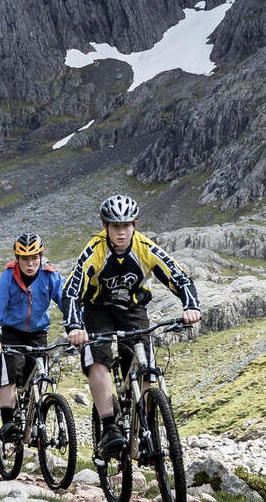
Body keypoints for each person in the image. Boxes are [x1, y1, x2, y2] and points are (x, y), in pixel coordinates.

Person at [63, 194, 201, 456]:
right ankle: (109, 428)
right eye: (116, 227)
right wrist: (74, 326)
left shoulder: (145, 247)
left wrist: (191, 306)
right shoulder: (95, 250)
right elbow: (72, 290)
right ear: (106, 227)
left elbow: (179, 277)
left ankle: (143, 431)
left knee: (146, 367)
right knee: (98, 359)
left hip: (133, 310)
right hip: (98, 310)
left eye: (126, 226)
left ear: (135, 225)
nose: (121, 232)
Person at [0, 233, 64, 439]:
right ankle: (8, 423)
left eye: (34, 258)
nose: (30, 263)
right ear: (17, 258)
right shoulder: (8, 277)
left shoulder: (50, 276)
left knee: (40, 376)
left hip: (38, 334)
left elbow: (67, 300)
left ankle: (34, 416)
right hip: (12, 333)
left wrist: (78, 326)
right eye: (25, 258)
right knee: (10, 372)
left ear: (41, 256)